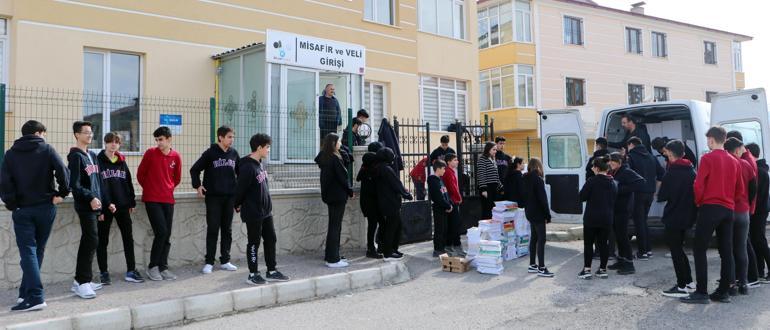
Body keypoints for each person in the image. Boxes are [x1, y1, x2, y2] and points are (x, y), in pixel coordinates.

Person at [0, 120, 69, 311]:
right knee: (36, 251)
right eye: (43, 133)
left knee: (29, 252)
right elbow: (64, 172)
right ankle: (30, 295)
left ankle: (32, 296)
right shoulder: (46, 149)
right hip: (46, 208)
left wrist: (13, 204)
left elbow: (4, 183)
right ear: (38, 133)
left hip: (23, 210)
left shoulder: (11, 154)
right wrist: (61, 194)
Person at [681, 126, 742, 304]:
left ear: (711, 140)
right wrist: (730, 201)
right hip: (728, 208)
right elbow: (739, 189)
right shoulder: (734, 161)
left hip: (710, 207)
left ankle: (701, 291)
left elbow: (698, 185)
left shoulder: (707, 158)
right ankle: (724, 291)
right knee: (726, 250)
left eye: (708, 139)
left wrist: (700, 202)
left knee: (699, 248)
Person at [234, 133, 290, 285]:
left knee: (271, 239)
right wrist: (237, 204)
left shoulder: (260, 163)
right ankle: (252, 274)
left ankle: (271, 271)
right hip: (253, 212)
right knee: (254, 243)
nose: (269, 150)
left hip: (266, 211)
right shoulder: (247, 167)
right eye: (267, 147)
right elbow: (240, 190)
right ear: (259, 148)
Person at [190, 126, 240, 275]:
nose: (232, 140)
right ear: (220, 137)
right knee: (213, 229)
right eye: (229, 137)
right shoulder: (210, 153)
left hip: (230, 197)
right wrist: (198, 185)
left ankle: (225, 260)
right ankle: (209, 262)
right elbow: (194, 169)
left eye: (232, 137)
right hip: (213, 198)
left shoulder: (234, 154)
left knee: (227, 230)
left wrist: (239, 197)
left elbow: (241, 174)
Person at [68, 121, 109, 299]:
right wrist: (90, 198)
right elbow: (74, 185)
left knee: (90, 241)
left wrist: (101, 205)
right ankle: (82, 283)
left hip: (96, 206)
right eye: (86, 132)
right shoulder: (75, 157)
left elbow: (98, 182)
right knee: (91, 240)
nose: (90, 135)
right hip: (85, 206)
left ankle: (81, 280)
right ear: (77, 135)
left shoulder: (92, 155)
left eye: (91, 132)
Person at [96, 132, 144, 285]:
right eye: (110, 141)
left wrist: (131, 202)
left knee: (128, 239)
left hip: (122, 206)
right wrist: (102, 207)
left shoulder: (121, 161)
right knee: (102, 240)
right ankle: (104, 272)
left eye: (116, 142)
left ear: (119, 144)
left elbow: (128, 182)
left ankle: (131, 270)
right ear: (105, 143)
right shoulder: (98, 161)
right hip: (105, 207)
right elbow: (97, 186)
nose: (113, 144)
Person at [137, 126, 182, 282]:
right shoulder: (150, 153)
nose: (158, 143)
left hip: (168, 199)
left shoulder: (176, 156)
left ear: (169, 139)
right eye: (156, 140)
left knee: (167, 234)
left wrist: (166, 189)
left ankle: (163, 267)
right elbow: (140, 174)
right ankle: (153, 267)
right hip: (152, 199)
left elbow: (176, 178)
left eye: (161, 139)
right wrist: (151, 189)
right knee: (161, 232)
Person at [657, 140, 697, 298]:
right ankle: (689, 282)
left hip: (673, 217)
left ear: (671, 154)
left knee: (676, 252)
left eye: (666, 152)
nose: (665, 154)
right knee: (680, 251)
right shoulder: (692, 171)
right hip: (688, 217)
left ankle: (681, 286)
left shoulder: (671, 172)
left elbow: (662, 196)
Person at [315, 133, 354, 268]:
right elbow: (343, 177)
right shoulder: (334, 158)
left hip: (330, 196)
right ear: (333, 143)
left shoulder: (325, 157)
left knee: (333, 226)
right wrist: (350, 191)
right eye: (338, 142)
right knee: (335, 227)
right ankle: (333, 259)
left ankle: (331, 254)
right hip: (338, 196)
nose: (341, 144)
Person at [578, 156, 618, 280]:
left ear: (596, 168)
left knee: (589, 244)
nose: (591, 168)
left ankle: (587, 270)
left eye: (592, 166)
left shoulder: (591, 181)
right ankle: (602, 269)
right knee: (604, 244)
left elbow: (581, 197)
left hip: (591, 218)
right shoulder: (613, 182)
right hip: (607, 218)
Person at [725, 137, 755, 295]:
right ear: (737, 150)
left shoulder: (725, 164)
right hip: (743, 210)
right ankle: (744, 284)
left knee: (728, 249)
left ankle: (731, 285)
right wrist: (747, 204)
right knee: (741, 247)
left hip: (727, 210)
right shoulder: (746, 164)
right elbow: (753, 188)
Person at [626, 136, 664, 260]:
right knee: (643, 221)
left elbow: (627, 174)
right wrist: (654, 190)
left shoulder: (631, 157)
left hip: (637, 193)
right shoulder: (652, 157)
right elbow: (661, 174)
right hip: (649, 193)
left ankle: (642, 252)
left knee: (639, 222)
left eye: (628, 146)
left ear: (631, 144)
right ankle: (648, 250)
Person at [607, 152, 644, 275]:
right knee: (618, 236)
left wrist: (621, 190)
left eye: (613, 160)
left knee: (623, 237)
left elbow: (641, 182)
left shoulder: (626, 171)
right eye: (610, 160)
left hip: (623, 209)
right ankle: (621, 260)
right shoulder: (613, 172)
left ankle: (629, 264)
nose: (611, 162)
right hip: (615, 208)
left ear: (620, 161)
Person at [376, 147, 413, 261]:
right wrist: (407, 194)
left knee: (394, 227)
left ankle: (392, 249)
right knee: (392, 227)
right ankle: (388, 252)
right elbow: (396, 184)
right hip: (390, 203)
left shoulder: (379, 168)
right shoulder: (386, 169)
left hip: (385, 202)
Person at [523, 158, 554, 277]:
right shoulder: (538, 180)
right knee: (541, 239)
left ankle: (532, 264)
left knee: (534, 238)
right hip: (538, 213)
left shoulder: (524, 178)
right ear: (539, 167)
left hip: (529, 212)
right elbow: (543, 200)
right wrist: (548, 215)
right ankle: (541, 267)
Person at [746, 143, 770, 283]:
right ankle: (759, 270)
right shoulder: (761, 169)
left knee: (759, 241)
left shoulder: (759, 171)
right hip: (760, 210)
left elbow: (756, 195)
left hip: (759, 211)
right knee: (756, 241)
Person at [357, 142, 384, 258]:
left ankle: (375, 246)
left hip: (368, 201)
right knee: (374, 225)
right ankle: (371, 249)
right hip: (371, 202)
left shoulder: (366, 165)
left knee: (376, 224)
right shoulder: (372, 166)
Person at [428, 160, 453, 257]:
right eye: (443, 169)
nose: (444, 171)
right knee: (439, 229)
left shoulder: (440, 179)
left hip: (444, 208)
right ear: (438, 169)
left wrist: (449, 204)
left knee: (444, 229)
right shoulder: (433, 180)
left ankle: (442, 248)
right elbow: (438, 197)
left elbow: (445, 193)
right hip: (439, 208)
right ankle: (438, 249)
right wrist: (447, 205)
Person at [442, 153, 464, 256]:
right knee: (454, 223)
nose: (457, 161)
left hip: (453, 200)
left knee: (455, 223)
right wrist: (459, 197)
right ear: (449, 162)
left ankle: (456, 243)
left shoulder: (450, 171)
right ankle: (450, 244)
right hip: (452, 200)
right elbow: (452, 187)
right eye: (455, 160)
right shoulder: (448, 172)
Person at [477, 142, 502, 219]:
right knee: (487, 210)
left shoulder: (493, 159)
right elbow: (481, 174)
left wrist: (500, 186)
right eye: (494, 149)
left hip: (494, 188)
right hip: (487, 188)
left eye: (496, 150)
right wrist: (483, 189)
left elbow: (496, 175)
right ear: (488, 149)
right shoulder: (482, 159)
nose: (495, 151)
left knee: (493, 209)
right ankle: (485, 228)